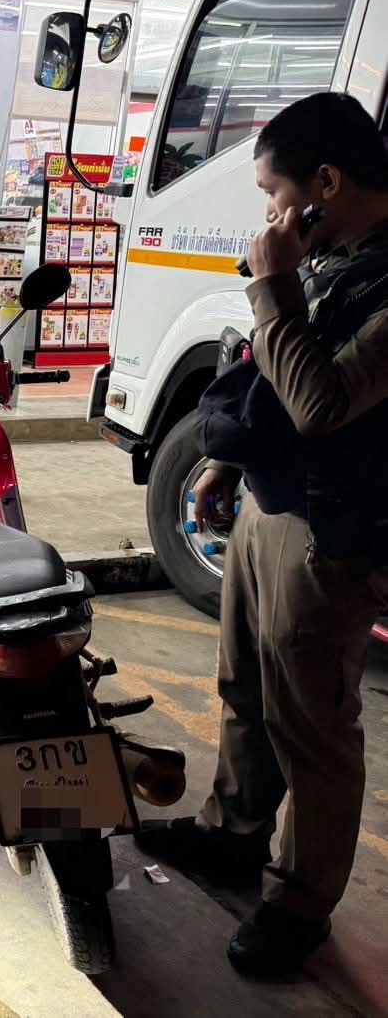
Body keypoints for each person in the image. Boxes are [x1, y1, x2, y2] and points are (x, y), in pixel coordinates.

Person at [137, 91, 388, 975]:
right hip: (269, 505)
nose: (270, 215)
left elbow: (319, 403)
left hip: (330, 529)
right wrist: (225, 459)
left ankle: (298, 901)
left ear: (324, 184)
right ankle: (231, 833)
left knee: (310, 724)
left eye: (274, 194)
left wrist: (273, 281)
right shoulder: (333, 259)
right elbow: (270, 378)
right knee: (243, 687)